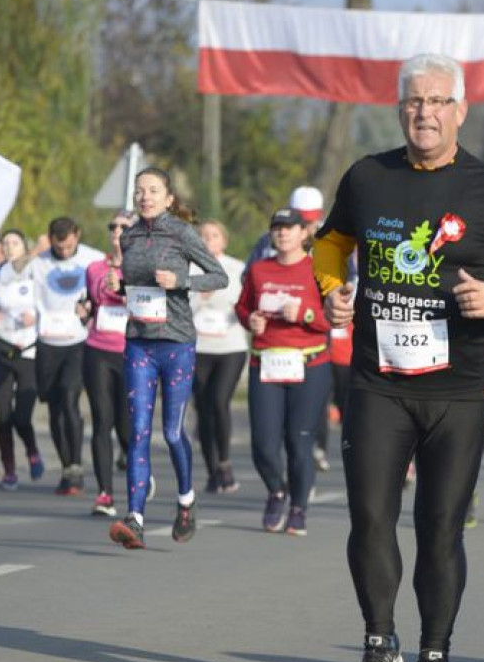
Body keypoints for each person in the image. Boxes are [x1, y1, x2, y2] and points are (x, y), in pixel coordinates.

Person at [313, 53, 484, 662]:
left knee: (439, 526)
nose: (426, 113)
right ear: (399, 108)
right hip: (379, 380)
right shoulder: (367, 177)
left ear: (461, 110)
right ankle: (377, 643)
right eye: (416, 101)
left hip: (461, 389)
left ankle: (435, 654)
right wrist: (334, 290)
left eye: (440, 101)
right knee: (369, 516)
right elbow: (330, 242)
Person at [108, 167, 227, 549]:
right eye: (140, 191)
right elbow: (129, 286)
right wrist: (117, 286)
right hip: (139, 342)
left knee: (172, 432)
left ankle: (186, 500)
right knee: (138, 430)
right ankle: (136, 518)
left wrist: (182, 282)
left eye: (153, 190)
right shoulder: (128, 236)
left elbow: (219, 276)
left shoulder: (181, 233)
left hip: (176, 344)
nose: (145, 197)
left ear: (168, 198)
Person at [236, 208, 331, 534]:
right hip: (266, 363)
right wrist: (250, 320)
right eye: (276, 228)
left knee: (298, 442)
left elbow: (335, 318)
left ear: (304, 233)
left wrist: (305, 314)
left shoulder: (319, 269)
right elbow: (243, 306)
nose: (282, 233)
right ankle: (277, 491)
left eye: (289, 228)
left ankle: (299, 508)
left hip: (309, 365)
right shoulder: (260, 269)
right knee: (262, 445)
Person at [30, 217, 103, 495]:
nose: (64, 252)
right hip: (47, 342)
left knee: (70, 396)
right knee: (54, 405)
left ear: (78, 236)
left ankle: (76, 467)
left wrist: (92, 308)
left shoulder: (93, 259)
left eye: (69, 246)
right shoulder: (38, 263)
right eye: (59, 248)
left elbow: (110, 286)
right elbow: (5, 276)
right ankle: (66, 466)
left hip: (79, 341)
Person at [83, 211, 135, 517]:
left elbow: (153, 305)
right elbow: (91, 304)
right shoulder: (94, 268)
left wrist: (124, 289)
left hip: (132, 353)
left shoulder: (143, 267)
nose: (116, 230)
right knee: (101, 421)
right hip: (98, 350)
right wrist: (83, 310)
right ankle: (104, 493)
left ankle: (138, 475)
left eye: (124, 226)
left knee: (125, 427)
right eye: (112, 226)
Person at [190, 218, 247, 494]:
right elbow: (178, 305)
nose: (208, 240)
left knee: (218, 400)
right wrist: (200, 294)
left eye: (214, 236)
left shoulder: (237, 268)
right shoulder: (188, 268)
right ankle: (212, 469)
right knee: (202, 406)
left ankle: (224, 461)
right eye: (203, 236)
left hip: (230, 347)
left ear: (223, 241)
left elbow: (244, 304)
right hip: (198, 347)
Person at [0, 229, 44, 490]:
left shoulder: (37, 274)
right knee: (2, 417)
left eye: (15, 243)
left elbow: (55, 307)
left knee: (21, 416)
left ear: (24, 246)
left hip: (28, 352)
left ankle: (32, 450)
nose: (9, 247)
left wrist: (38, 317)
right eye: (5, 243)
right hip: (2, 350)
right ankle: (9, 469)